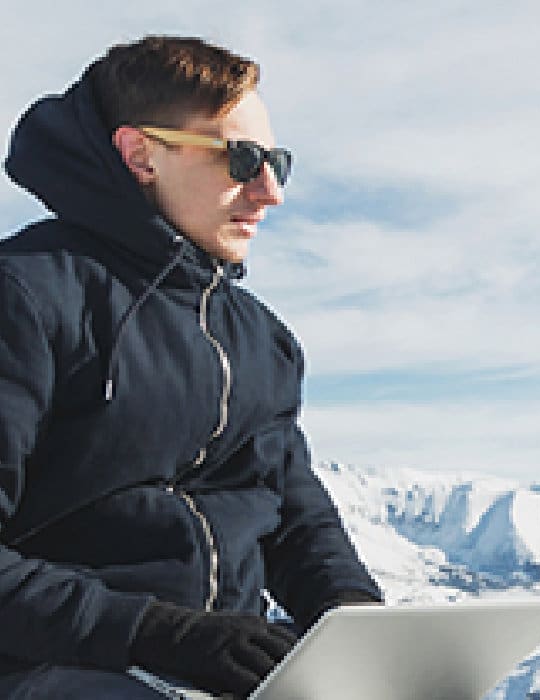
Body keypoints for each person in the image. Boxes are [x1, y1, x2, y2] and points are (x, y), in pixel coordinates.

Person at [0, 35, 383, 698]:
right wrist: (156, 633)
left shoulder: (261, 340)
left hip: (217, 676)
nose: (269, 192)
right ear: (140, 155)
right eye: (242, 159)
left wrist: (356, 623)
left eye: (277, 163)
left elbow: (295, 521)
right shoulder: (28, 296)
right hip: (54, 667)